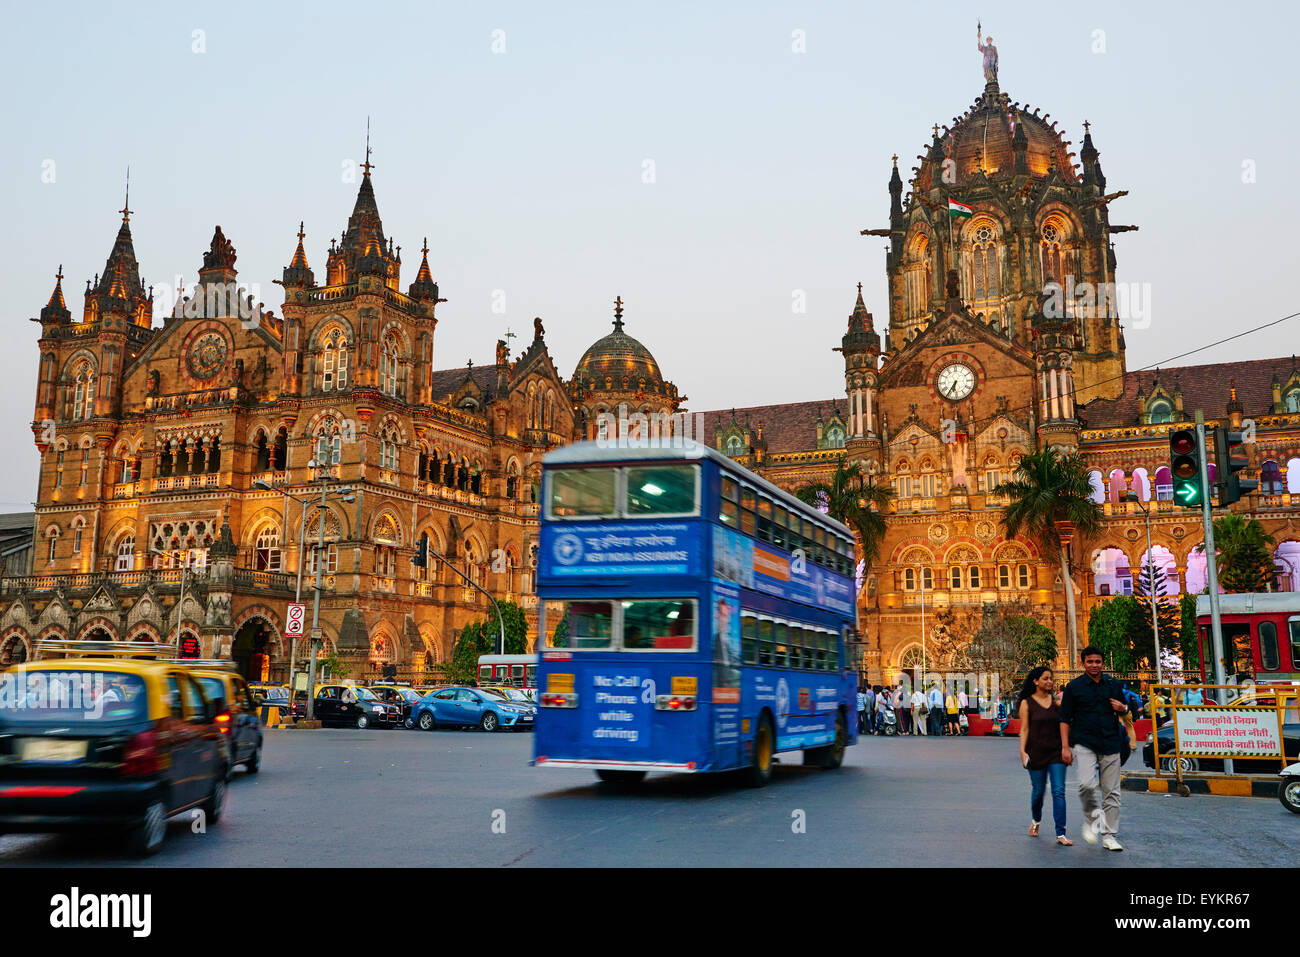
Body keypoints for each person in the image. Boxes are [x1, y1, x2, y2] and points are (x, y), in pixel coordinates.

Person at [1060, 645, 1128, 851]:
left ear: (1103, 663)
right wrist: (1065, 747)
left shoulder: (1113, 684)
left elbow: (1126, 709)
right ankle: (1092, 821)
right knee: (1086, 785)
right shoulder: (1073, 687)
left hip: (1110, 741)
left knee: (1112, 792)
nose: (1094, 665)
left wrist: (1122, 708)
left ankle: (1109, 835)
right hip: (1085, 742)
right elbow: (1064, 719)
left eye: (1098, 661)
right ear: (1083, 664)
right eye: (1090, 661)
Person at [1018, 666, 1072, 846]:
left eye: (1051, 678)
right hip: (1036, 753)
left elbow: (1067, 722)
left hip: (1056, 752)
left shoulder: (1056, 702)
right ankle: (1036, 820)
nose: (1049, 682)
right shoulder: (1027, 703)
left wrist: (1066, 748)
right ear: (1035, 681)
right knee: (1038, 792)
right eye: (1045, 678)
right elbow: (1024, 729)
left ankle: (1061, 833)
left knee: (1058, 790)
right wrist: (1022, 751)